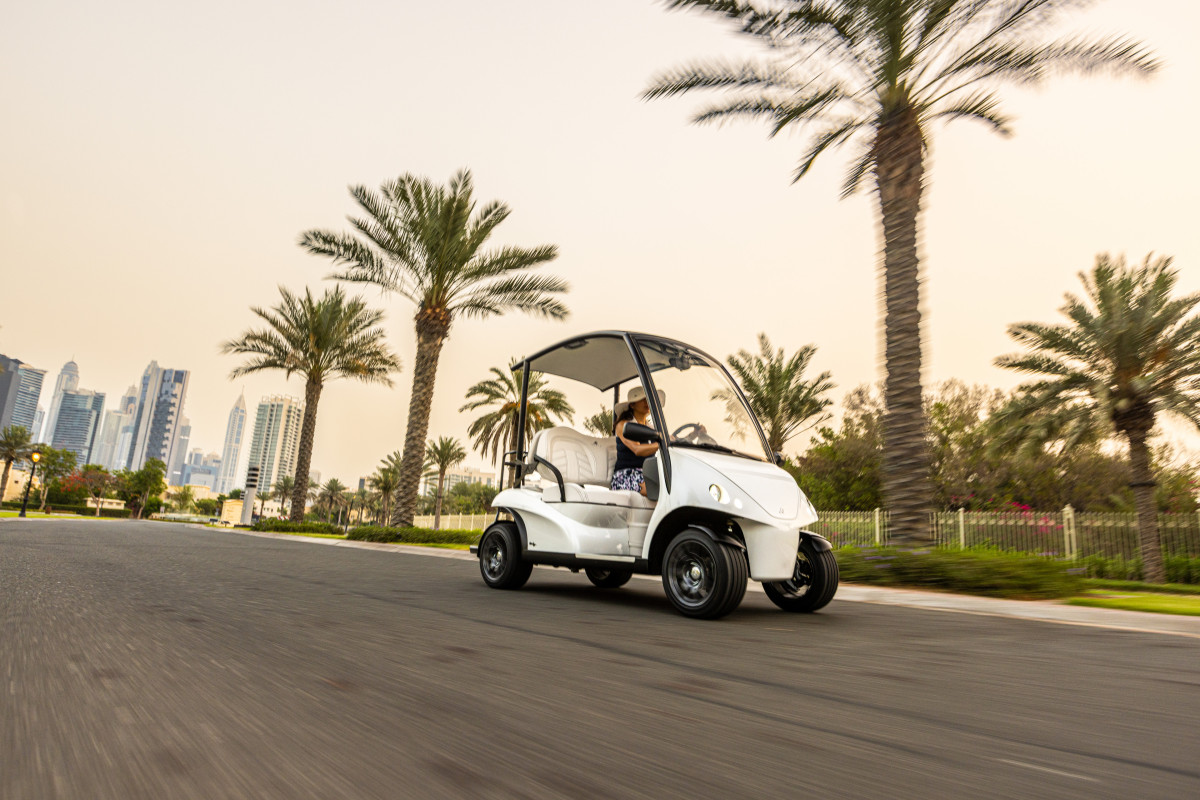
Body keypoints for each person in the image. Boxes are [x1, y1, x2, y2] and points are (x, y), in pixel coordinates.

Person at [611, 386, 665, 495]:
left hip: (647, 474)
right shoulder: (623, 425)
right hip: (627, 475)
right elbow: (637, 449)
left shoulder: (651, 428)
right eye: (642, 399)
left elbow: (669, 440)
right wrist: (662, 443)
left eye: (648, 399)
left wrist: (692, 436)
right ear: (632, 405)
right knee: (661, 490)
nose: (647, 402)